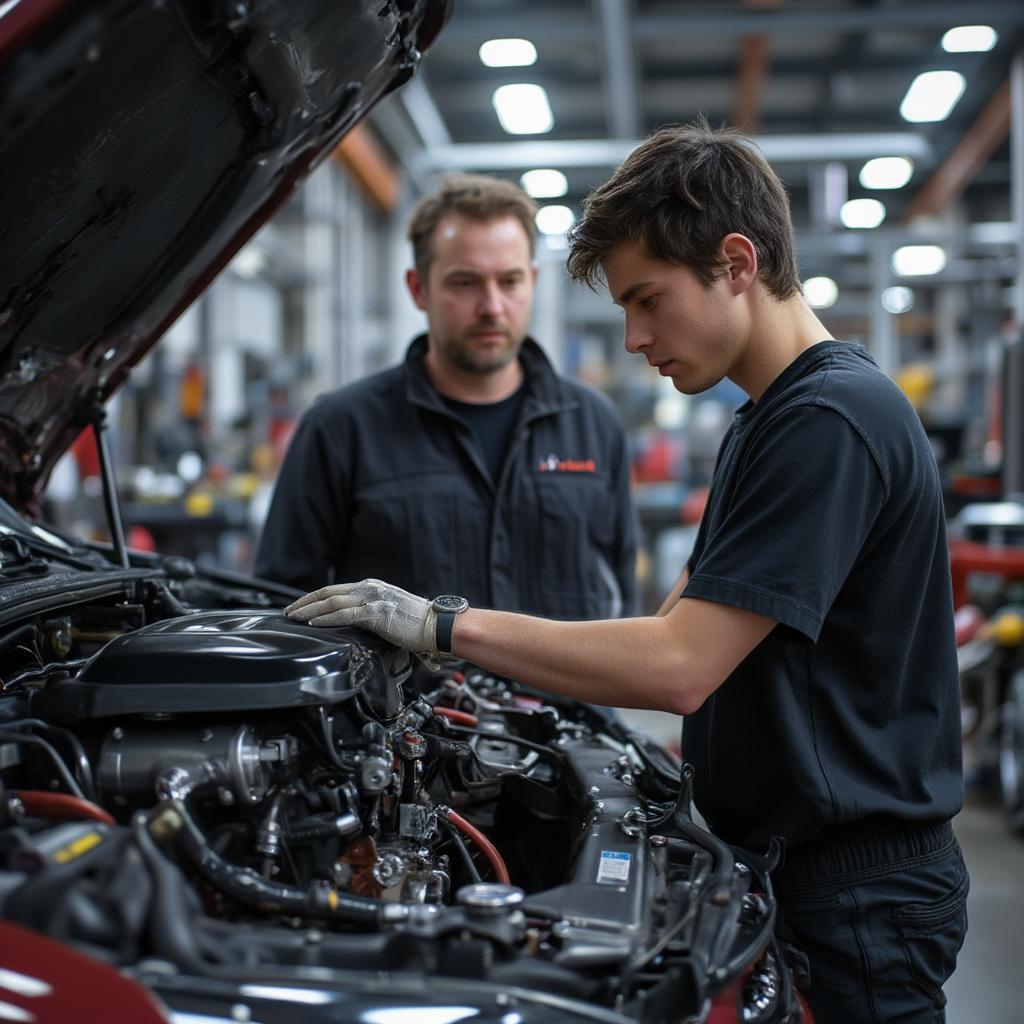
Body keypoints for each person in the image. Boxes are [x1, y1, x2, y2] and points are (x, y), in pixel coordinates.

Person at [284, 123, 967, 1023]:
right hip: (794, 863)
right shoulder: (766, 421)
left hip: (857, 896)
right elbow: (674, 615)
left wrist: (437, 625)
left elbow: (677, 665)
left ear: (735, 262)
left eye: (649, 300)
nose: (636, 337)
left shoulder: (829, 421)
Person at [255, 174, 637, 620]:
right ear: (418, 288)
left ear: (532, 281)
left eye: (510, 281)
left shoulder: (593, 424)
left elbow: (621, 595)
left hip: (564, 693)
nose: (492, 306)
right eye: (464, 283)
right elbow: (284, 605)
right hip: (408, 693)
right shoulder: (341, 429)